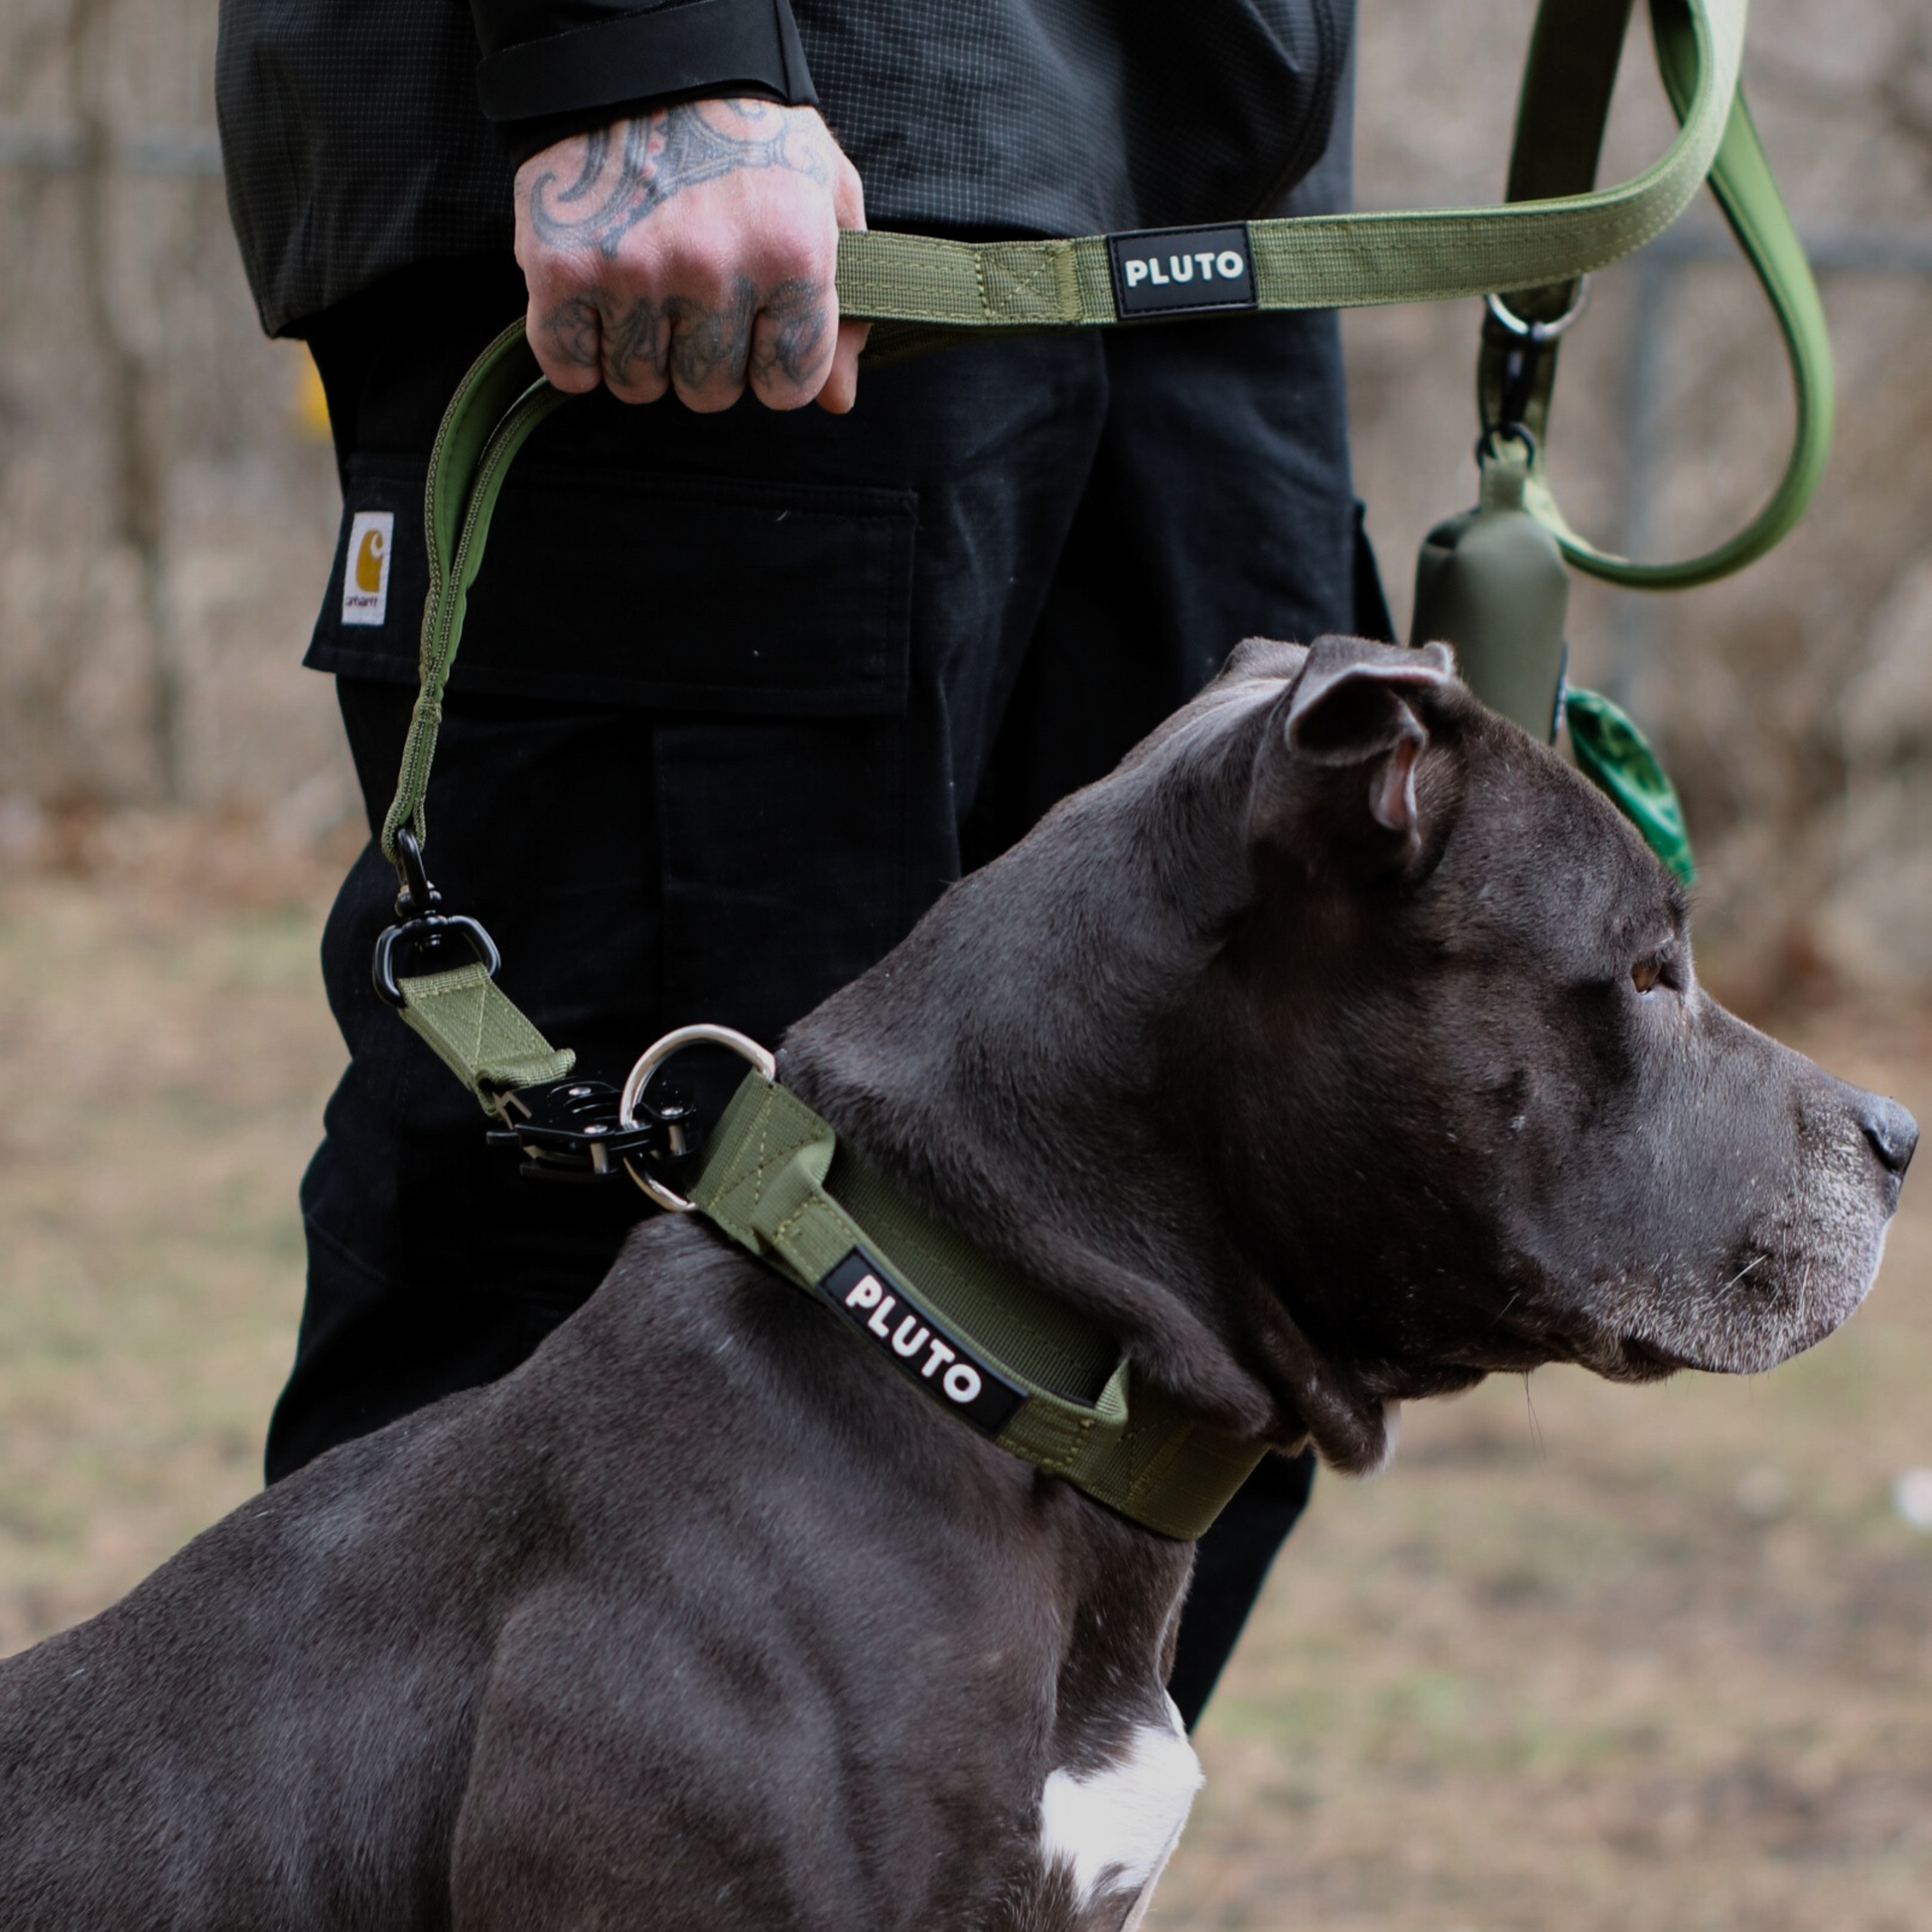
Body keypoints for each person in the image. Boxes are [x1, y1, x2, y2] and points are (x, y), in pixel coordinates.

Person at [215, 0, 1391, 1727]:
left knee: (1221, 1299)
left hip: (1208, 165)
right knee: (621, 1323)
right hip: (761, 164)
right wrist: (642, 48)